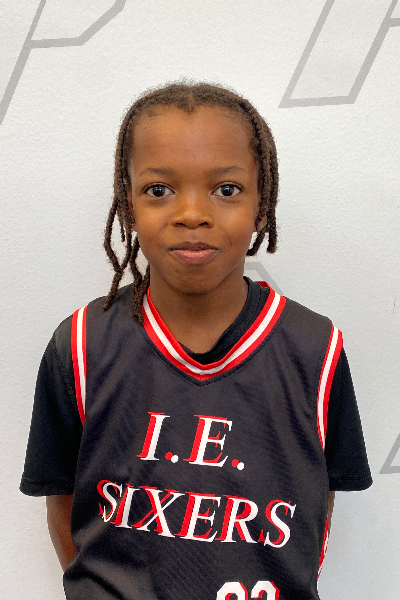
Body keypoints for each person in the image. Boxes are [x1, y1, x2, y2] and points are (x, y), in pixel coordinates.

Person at [20, 82, 372, 600]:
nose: (191, 213)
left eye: (226, 189)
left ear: (261, 202)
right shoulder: (79, 344)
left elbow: (316, 503)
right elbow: (64, 503)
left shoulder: (314, 349)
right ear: (129, 204)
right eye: (159, 190)